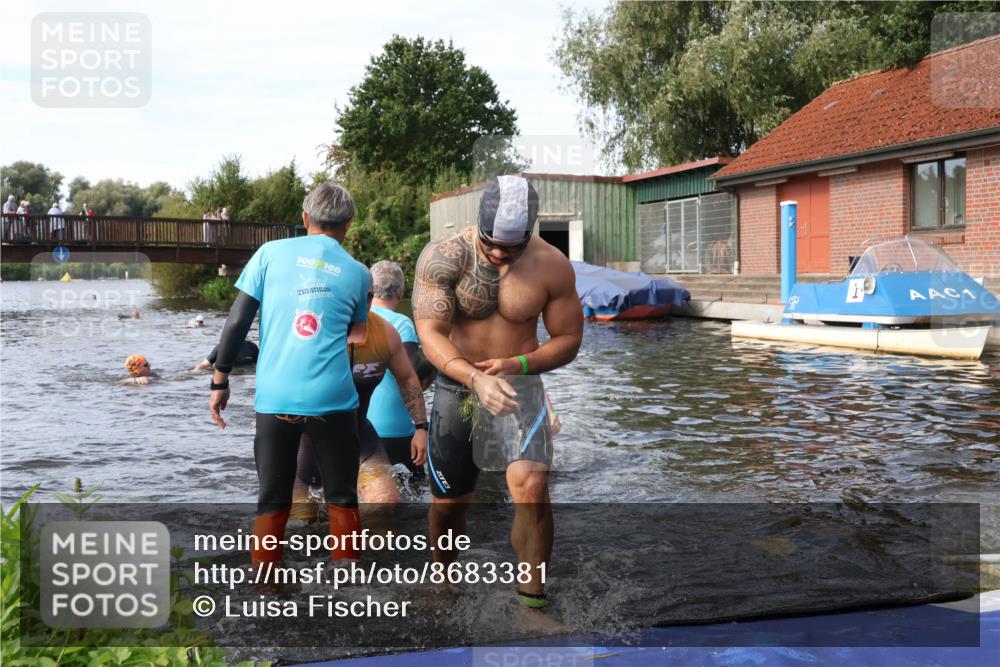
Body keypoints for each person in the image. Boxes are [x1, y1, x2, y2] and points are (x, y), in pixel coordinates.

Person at [412, 175, 583, 609]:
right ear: (479, 224)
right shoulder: (443, 257)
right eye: (491, 243)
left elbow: (569, 339)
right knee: (449, 505)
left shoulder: (551, 265)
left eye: (512, 246)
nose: (500, 254)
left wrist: (519, 364)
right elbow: (430, 334)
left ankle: (532, 601)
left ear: (530, 231)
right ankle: (444, 581)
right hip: (458, 389)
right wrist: (475, 378)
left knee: (532, 487)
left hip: (520, 388)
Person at [208, 182, 371, 569]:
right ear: (348, 223)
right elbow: (356, 335)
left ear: (305, 217)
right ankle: (348, 581)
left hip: (276, 396)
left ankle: (266, 582)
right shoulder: (359, 273)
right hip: (332, 397)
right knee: (342, 496)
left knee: (272, 497)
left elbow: (237, 322)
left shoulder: (269, 253)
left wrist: (220, 379)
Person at [292, 304, 428, 514]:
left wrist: (421, 427)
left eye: (366, 294)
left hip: (358, 431)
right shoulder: (309, 330)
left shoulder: (385, 332)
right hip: (306, 440)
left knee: (384, 503)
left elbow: (407, 377)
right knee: (303, 521)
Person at [366, 260, 437, 478]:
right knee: (411, 492)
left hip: (357, 427)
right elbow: (413, 371)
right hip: (395, 429)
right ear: (401, 292)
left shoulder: (355, 319)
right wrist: (439, 358)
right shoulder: (400, 323)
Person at [192, 340, 259, 372]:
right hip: (229, 377)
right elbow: (204, 364)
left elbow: (261, 365)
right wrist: (193, 372)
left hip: (247, 379)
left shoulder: (251, 346)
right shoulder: (221, 347)